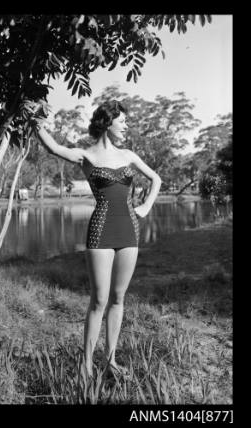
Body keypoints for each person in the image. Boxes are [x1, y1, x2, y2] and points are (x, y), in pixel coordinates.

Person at [36, 100, 161, 377]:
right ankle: (86, 365)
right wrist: (36, 123)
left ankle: (111, 360)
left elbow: (156, 179)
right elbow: (54, 148)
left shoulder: (128, 155)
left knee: (118, 298)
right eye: (123, 121)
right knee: (99, 300)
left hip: (130, 230)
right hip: (101, 231)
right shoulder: (85, 156)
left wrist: (145, 207)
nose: (127, 126)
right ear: (108, 122)